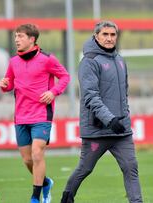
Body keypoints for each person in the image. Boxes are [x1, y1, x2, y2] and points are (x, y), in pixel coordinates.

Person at [61, 21, 143, 203]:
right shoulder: (89, 61)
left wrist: (123, 119)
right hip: (97, 130)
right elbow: (90, 97)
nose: (109, 38)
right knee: (85, 168)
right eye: (105, 34)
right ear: (96, 36)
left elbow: (124, 94)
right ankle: (66, 198)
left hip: (121, 130)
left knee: (131, 167)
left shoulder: (120, 61)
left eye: (113, 35)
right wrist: (109, 119)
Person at [0, 24, 70, 203]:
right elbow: (9, 84)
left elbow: (65, 77)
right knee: (27, 160)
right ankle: (45, 183)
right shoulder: (13, 61)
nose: (16, 39)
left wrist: (53, 92)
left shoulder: (47, 59)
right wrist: (4, 84)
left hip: (41, 115)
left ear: (32, 39)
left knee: (37, 153)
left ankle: (35, 198)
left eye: (20, 36)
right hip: (20, 116)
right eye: (15, 36)